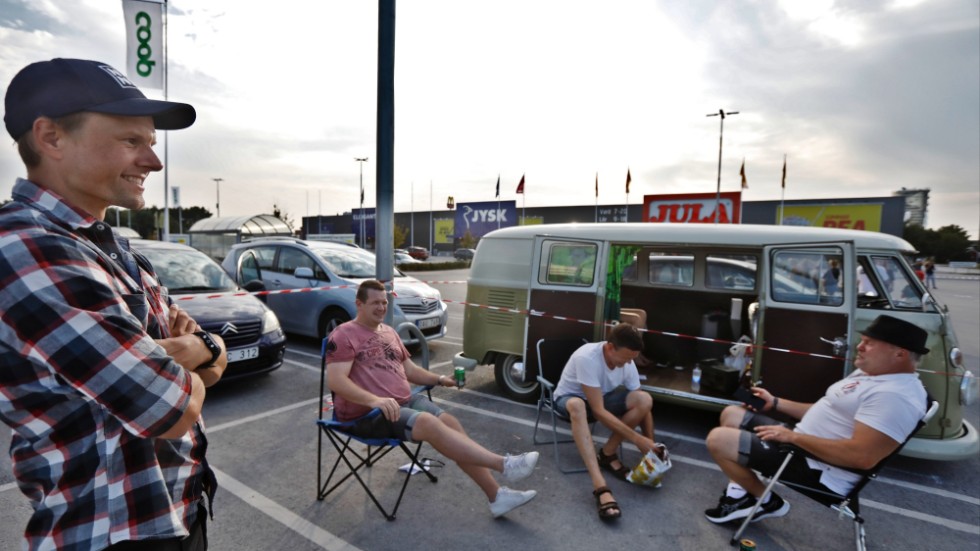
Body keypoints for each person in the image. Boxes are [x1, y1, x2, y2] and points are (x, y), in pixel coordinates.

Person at [1, 59, 225, 550]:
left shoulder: (114, 248)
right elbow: (168, 407)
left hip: (177, 512)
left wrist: (199, 345)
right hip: (111, 533)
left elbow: (210, 369)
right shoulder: (24, 248)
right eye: (131, 141)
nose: (154, 162)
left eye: (151, 142)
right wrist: (195, 353)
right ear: (51, 138)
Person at [326, 279, 539, 518]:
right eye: (375, 302)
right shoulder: (343, 334)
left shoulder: (389, 332)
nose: (381, 307)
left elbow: (411, 371)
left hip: (402, 403)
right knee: (428, 423)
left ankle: (496, 496)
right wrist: (375, 400)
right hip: (367, 413)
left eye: (384, 302)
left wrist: (439, 379)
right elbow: (337, 381)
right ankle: (504, 464)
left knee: (450, 423)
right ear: (359, 304)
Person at [703, 314, 928, 525]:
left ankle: (765, 501)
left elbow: (861, 457)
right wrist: (776, 402)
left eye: (869, 343)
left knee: (719, 440)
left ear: (900, 354)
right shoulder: (873, 374)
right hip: (801, 443)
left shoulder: (896, 397)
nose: (859, 346)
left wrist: (792, 437)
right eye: (863, 340)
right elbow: (826, 410)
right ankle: (742, 492)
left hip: (819, 468)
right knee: (731, 413)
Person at [552, 323, 661, 521]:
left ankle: (607, 454)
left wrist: (650, 447)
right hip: (568, 401)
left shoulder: (628, 360)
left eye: (632, 359)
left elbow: (642, 406)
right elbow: (598, 411)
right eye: (626, 358)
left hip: (599, 400)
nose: (629, 363)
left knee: (644, 399)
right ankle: (600, 487)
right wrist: (637, 439)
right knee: (578, 405)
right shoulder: (587, 358)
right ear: (610, 347)